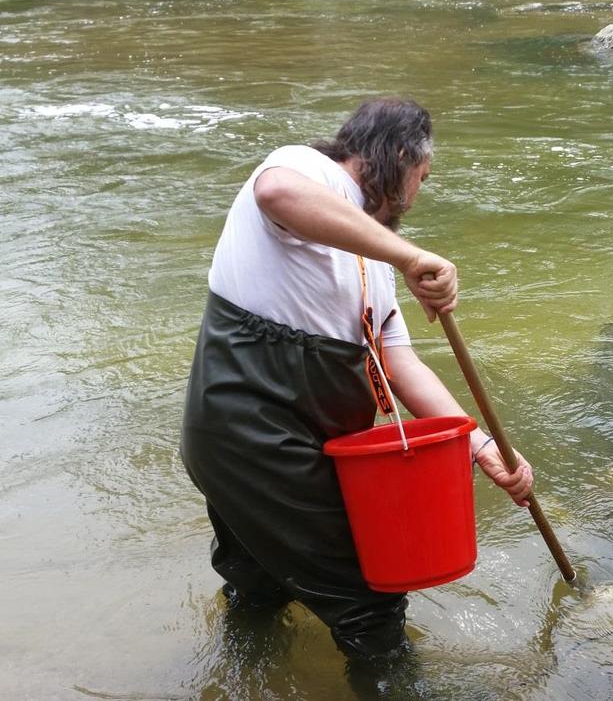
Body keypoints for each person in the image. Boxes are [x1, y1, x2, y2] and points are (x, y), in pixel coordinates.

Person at [180, 97, 534, 660]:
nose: (419, 194)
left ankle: (241, 679)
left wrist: (481, 445)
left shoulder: (372, 264)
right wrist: (409, 255)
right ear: (397, 156)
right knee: (368, 600)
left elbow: (400, 366)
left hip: (274, 442)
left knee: (259, 584)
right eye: (422, 176)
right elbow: (277, 193)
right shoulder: (310, 169)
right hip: (253, 433)